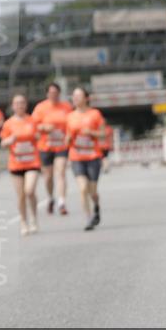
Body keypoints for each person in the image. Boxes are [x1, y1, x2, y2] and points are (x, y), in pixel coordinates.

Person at [65, 87, 107, 231]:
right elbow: (66, 139)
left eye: (79, 96)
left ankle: (96, 206)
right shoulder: (70, 116)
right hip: (76, 157)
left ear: (86, 98)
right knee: (83, 188)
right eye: (74, 96)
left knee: (92, 191)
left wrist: (91, 132)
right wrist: (69, 138)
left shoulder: (95, 114)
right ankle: (88, 218)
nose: (75, 98)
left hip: (93, 156)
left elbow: (103, 134)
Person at [1, 94, 41, 235]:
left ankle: (34, 218)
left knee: (29, 190)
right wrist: (10, 140)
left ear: (26, 105)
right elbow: (3, 143)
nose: (20, 105)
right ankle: (24, 221)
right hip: (16, 164)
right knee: (21, 196)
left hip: (32, 161)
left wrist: (36, 137)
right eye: (17, 103)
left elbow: (39, 137)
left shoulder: (32, 120)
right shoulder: (8, 123)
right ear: (13, 106)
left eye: (22, 103)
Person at [31, 83, 72, 215]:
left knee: (61, 172)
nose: (53, 95)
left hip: (61, 145)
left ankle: (62, 202)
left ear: (59, 93)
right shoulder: (40, 108)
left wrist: (69, 136)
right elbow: (33, 125)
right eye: (51, 93)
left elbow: (72, 124)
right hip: (45, 146)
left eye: (56, 93)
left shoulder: (66, 107)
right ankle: (50, 197)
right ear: (47, 94)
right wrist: (43, 127)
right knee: (48, 177)